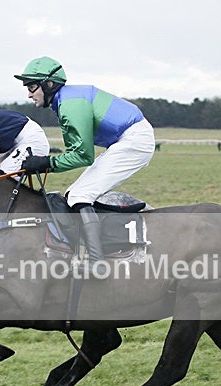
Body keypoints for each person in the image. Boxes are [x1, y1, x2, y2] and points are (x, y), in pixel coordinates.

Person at [14, 56, 155, 275]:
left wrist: (46, 163)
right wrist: (46, 163)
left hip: (134, 140)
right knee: (74, 194)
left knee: (80, 195)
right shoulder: (66, 100)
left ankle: (97, 262)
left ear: (49, 84)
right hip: (129, 138)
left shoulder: (70, 105)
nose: (29, 93)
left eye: (32, 86)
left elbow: (82, 155)